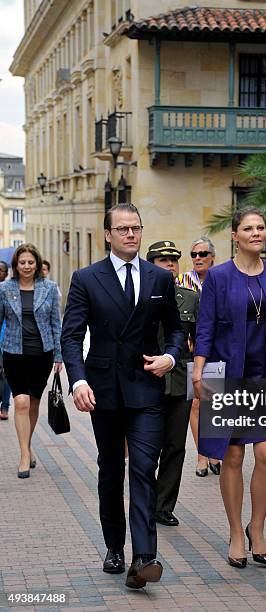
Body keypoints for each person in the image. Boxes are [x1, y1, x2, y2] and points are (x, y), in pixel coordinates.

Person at [61, 203, 184, 590]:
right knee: (111, 470)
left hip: (146, 388)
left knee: (144, 469)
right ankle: (115, 546)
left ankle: (144, 556)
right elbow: (71, 336)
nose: (132, 234)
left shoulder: (159, 279)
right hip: (104, 391)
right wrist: (78, 381)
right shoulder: (87, 278)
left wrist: (170, 356)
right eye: (124, 229)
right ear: (108, 235)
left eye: (136, 228)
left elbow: (176, 330)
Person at [193, 206, 266, 568]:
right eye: (249, 228)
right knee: (234, 455)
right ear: (235, 236)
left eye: (261, 227)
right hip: (229, 377)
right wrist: (198, 373)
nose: (257, 233)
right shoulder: (218, 277)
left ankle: (258, 527)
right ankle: (236, 532)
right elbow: (204, 328)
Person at [146, 240, 199, 527]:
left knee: (176, 445)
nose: (169, 265)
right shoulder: (138, 294)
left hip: (180, 380)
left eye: (173, 261)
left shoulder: (190, 298)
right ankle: (145, 499)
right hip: (147, 379)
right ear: (150, 264)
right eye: (162, 260)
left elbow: (202, 340)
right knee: (147, 445)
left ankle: (163, 505)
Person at [0, 244, 62, 476]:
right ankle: (25, 454)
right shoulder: (5, 289)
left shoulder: (49, 288)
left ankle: (27, 445)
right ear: (16, 265)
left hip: (42, 355)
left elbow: (56, 324)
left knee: (33, 403)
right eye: (22, 262)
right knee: (22, 402)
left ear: (37, 264)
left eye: (30, 262)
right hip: (13, 354)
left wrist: (59, 354)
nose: (26, 266)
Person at [178, 236, 220, 477]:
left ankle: (215, 451)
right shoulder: (182, 281)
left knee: (214, 403)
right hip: (192, 351)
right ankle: (202, 454)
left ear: (212, 256)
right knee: (196, 403)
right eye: (194, 254)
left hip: (216, 351)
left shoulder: (221, 279)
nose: (197, 258)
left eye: (203, 254)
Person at [0, 260, 11, 420]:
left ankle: (5, 406)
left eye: (1, 270)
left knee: (6, 374)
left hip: (7, 339)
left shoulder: (9, 291)